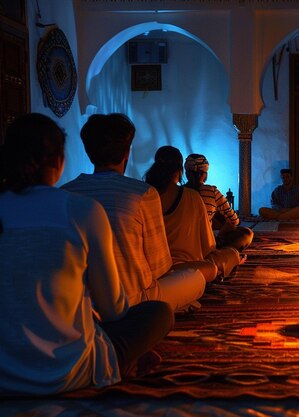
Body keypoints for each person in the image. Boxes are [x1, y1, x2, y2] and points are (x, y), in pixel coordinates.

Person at [0, 113, 173, 395]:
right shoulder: (81, 210)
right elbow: (113, 310)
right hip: (70, 372)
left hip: (4, 376)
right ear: (58, 160)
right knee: (159, 313)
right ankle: (119, 363)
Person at [62, 114, 211, 312]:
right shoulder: (142, 193)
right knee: (201, 273)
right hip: (135, 300)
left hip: (81, 303)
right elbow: (160, 268)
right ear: (126, 153)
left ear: (89, 151)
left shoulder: (65, 193)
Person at [145, 146, 242, 280]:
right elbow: (209, 248)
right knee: (231, 254)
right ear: (179, 171)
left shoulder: (145, 195)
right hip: (184, 270)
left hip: (150, 270)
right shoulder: (193, 196)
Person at [183, 153, 253, 252]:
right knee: (247, 233)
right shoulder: (211, 191)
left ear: (186, 173)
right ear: (205, 174)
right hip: (207, 246)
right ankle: (223, 257)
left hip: (181, 245)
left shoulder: (178, 192)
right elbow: (234, 220)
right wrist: (220, 234)